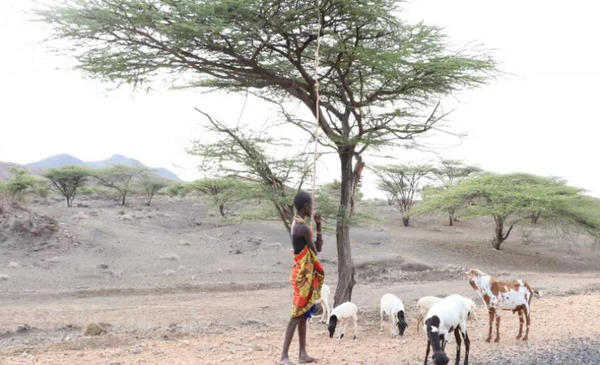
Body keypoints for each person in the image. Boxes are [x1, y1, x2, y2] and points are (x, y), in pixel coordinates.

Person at [280, 191, 324, 365]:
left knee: (304, 315)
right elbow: (316, 250)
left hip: (301, 273)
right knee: (296, 315)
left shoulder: (295, 223)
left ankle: (302, 354)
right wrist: (317, 230)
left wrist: (318, 227)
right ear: (305, 206)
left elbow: (313, 249)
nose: (312, 207)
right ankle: (284, 356)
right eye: (311, 204)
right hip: (303, 277)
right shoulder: (303, 227)